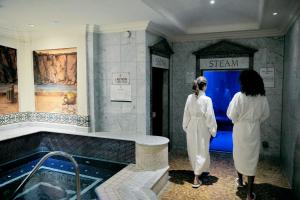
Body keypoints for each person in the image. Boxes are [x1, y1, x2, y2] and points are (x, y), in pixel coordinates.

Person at [226, 69, 270, 200]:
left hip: (240, 129)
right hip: (254, 130)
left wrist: (238, 121)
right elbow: (266, 114)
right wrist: (255, 122)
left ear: (244, 82)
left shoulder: (238, 96)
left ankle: (240, 181)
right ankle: (249, 194)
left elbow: (231, 115)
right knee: (252, 159)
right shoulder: (262, 98)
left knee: (239, 154)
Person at [182, 76, 217, 188]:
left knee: (193, 149)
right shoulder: (207, 100)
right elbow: (210, 117)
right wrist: (213, 130)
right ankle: (196, 177)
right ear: (204, 86)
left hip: (192, 125)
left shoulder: (189, 97)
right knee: (202, 149)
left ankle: (197, 171)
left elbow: (186, 113)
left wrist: (185, 126)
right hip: (202, 126)